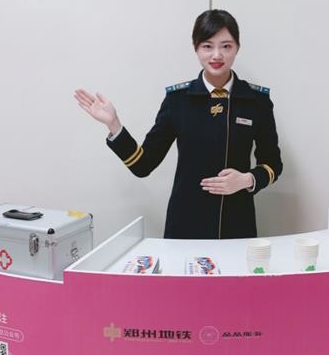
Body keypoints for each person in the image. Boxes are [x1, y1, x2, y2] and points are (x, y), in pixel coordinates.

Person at [74, 9, 282, 239]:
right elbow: (143, 164)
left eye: (226, 46)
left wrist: (247, 179)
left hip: (237, 224)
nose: (217, 55)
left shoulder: (256, 101)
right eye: (207, 46)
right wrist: (114, 125)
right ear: (196, 48)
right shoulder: (178, 101)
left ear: (237, 48)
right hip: (186, 225)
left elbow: (273, 163)